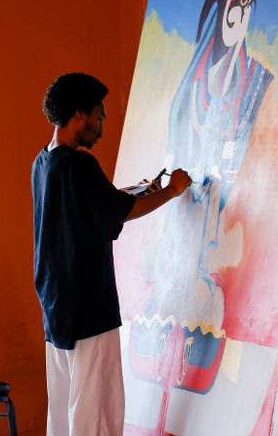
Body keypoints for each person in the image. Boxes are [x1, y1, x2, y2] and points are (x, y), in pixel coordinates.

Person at [31, 72, 192, 435]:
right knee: (96, 411)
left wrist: (138, 190)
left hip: (57, 306)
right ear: (78, 116)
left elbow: (94, 205)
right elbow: (120, 212)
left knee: (64, 410)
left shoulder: (43, 164)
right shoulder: (80, 165)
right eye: (99, 116)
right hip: (89, 307)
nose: (101, 126)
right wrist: (171, 191)